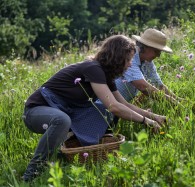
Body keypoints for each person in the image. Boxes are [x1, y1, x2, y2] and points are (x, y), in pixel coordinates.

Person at [21, 35, 166, 182]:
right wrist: (146, 121)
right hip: (36, 111)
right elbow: (114, 106)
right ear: (117, 57)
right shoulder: (93, 68)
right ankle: (30, 174)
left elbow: (124, 105)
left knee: (102, 111)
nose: (129, 64)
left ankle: (65, 155)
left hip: (62, 112)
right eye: (128, 60)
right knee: (62, 120)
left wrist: (154, 118)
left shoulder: (105, 76)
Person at [114, 28, 182, 104]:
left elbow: (158, 85)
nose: (158, 55)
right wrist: (173, 102)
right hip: (104, 105)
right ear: (145, 47)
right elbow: (142, 86)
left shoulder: (147, 62)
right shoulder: (129, 58)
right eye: (156, 51)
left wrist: (178, 99)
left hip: (119, 106)